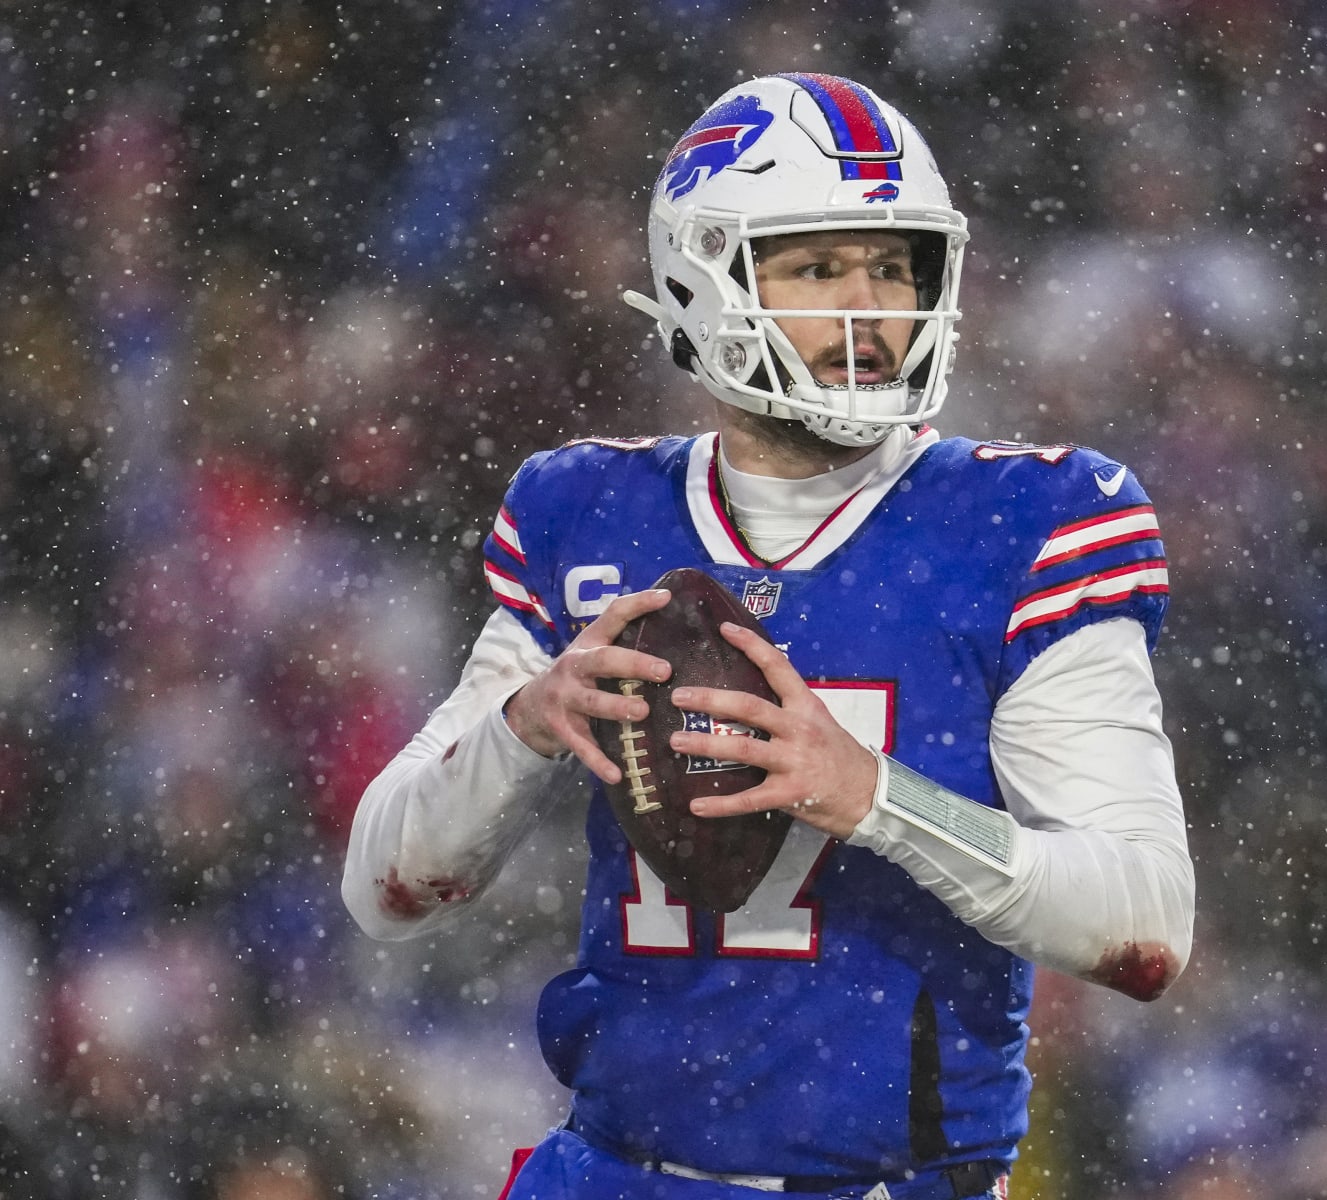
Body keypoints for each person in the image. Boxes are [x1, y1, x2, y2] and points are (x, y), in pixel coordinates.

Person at [342, 72, 1195, 1200]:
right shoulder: (587, 512)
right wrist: (524, 722)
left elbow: (1144, 922)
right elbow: (386, 887)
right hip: (611, 1175)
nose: (870, 307)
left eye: (893, 266)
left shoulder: (1028, 522)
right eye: (818, 267)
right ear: (702, 279)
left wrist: (877, 798)